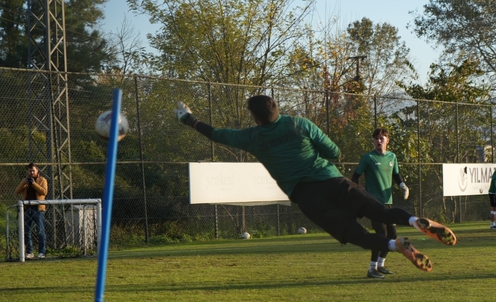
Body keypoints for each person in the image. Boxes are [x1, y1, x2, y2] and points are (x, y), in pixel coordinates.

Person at [173, 96, 456, 274]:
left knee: (354, 234)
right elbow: (334, 152)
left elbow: (216, 135)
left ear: (257, 118)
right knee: (380, 211)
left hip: (307, 196)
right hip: (331, 179)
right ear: (277, 109)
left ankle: (395, 246)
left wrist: (188, 119)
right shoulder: (300, 124)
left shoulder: (252, 137)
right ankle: (414, 220)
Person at [351, 127, 409, 279]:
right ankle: (372, 269)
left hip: (387, 202)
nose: (378, 141)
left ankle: (381, 265)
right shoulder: (368, 158)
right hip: (374, 204)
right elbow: (355, 176)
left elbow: (396, 174)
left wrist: (403, 185)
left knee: (392, 235)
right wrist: (358, 192)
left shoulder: (392, 157)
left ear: (387, 140)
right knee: (381, 235)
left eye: (381, 138)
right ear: (373, 141)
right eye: (376, 138)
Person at [15, 163, 48, 259]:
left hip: (38, 209)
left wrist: (33, 184)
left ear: (37, 171)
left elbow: (44, 192)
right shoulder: (25, 181)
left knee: (40, 231)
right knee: (26, 231)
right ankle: (29, 252)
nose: (31, 173)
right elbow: (17, 191)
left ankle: (42, 252)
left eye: (33, 171)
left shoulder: (42, 180)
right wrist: (24, 183)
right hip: (27, 209)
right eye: (30, 171)